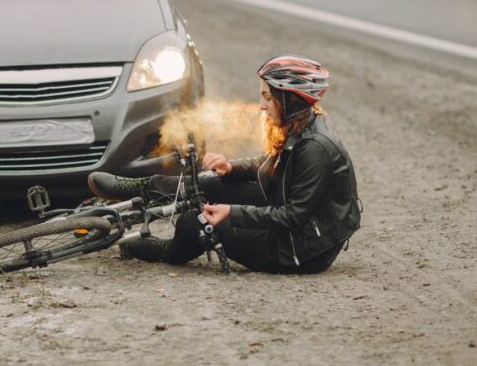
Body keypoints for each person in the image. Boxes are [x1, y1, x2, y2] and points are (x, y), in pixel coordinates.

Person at [88, 55, 361, 274]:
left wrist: (231, 213)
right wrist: (231, 167)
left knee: (194, 222)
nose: (261, 106)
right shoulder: (300, 127)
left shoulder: (316, 149)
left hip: (297, 250)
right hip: (287, 216)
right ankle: (140, 188)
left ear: (289, 99)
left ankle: (167, 250)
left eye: (267, 97)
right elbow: (271, 164)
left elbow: (291, 217)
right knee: (208, 183)